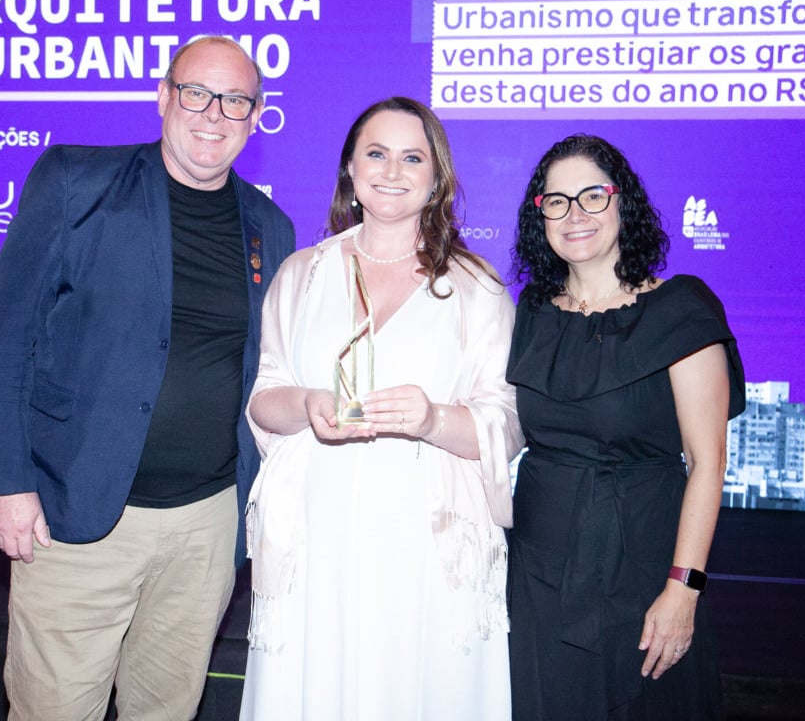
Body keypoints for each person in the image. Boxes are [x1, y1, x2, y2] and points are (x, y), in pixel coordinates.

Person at [0, 35, 295, 720]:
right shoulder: (75, 182)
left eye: (235, 101)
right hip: (73, 515)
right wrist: (4, 481)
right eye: (196, 92)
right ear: (163, 95)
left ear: (257, 115)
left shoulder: (271, 228)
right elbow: (5, 337)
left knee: (166, 711)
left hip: (206, 528)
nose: (213, 114)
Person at [239, 97, 521, 721]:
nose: (393, 170)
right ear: (350, 169)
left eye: (412, 157)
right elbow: (264, 399)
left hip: (427, 545)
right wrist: (312, 404)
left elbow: (506, 421)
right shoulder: (301, 275)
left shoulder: (477, 288)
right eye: (377, 153)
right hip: (320, 538)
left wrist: (433, 420)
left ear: (437, 177)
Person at [505, 134, 746, 720]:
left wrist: (684, 588)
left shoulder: (679, 310)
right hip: (538, 570)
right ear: (541, 217)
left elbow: (708, 462)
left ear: (623, 202)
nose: (576, 214)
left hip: (642, 565)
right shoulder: (532, 312)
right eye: (556, 201)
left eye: (592, 195)